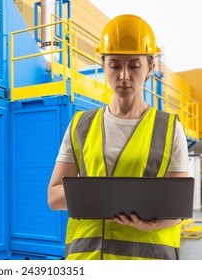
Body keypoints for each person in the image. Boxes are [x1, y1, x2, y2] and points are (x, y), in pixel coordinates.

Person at [47, 14, 189, 260]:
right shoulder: (80, 125)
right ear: (104, 66)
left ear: (149, 69)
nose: (124, 75)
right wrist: (104, 197)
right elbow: (54, 196)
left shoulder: (169, 128)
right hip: (87, 260)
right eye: (115, 65)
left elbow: (176, 208)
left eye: (134, 65)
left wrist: (152, 224)